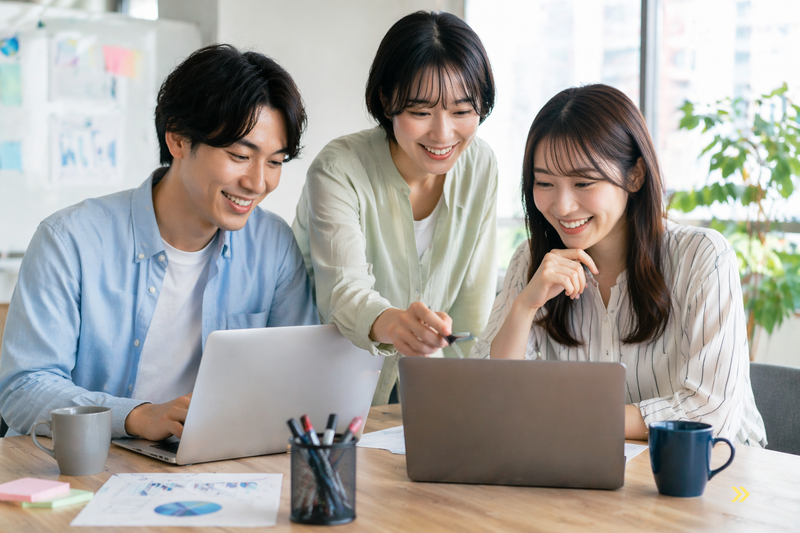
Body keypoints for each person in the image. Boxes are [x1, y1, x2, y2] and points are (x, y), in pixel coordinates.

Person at [0, 44, 318, 440]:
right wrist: (134, 417)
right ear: (178, 140)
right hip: (73, 472)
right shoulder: (69, 241)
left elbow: (301, 376)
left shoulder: (272, 245)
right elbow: (23, 387)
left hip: (203, 467)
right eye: (240, 155)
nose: (257, 183)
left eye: (274, 162)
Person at [472, 84, 766, 446]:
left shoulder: (704, 257)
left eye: (583, 182)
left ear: (635, 176)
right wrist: (523, 308)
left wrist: (571, 417)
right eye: (544, 182)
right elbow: (490, 398)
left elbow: (709, 412)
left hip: (717, 478)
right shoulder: (531, 261)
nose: (562, 207)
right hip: (585, 474)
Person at [293, 11, 498, 405]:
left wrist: (465, 406)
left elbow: (473, 305)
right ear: (386, 100)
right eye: (421, 112)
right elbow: (343, 292)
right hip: (332, 392)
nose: (443, 134)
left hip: (426, 396)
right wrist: (396, 324)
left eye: (462, 111)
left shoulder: (480, 164)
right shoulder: (339, 168)